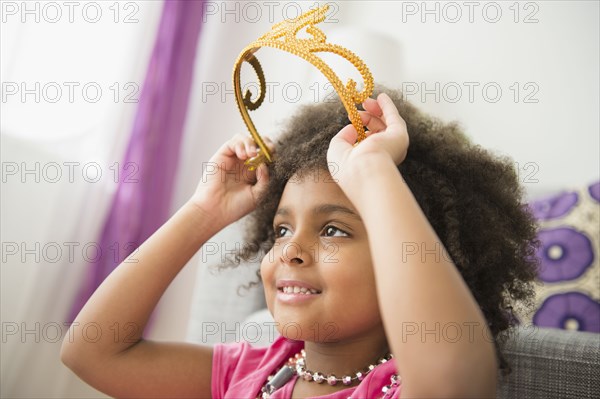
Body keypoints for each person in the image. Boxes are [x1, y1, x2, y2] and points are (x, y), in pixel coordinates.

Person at [61, 88, 539, 398]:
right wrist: (202, 213)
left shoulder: (397, 389)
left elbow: (453, 373)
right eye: (281, 229)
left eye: (333, 230)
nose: (289, 250)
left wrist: (372, 171)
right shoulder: (248, 374)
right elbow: (92, 351)